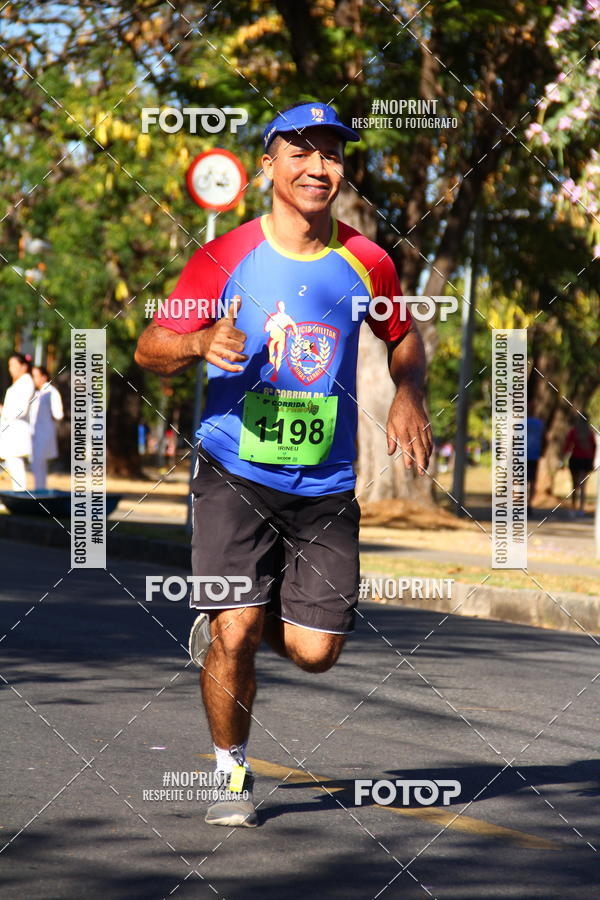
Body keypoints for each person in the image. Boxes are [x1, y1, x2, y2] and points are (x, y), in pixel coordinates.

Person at [135, 101, 432, 828]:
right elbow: (148, 348)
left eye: (331, 153)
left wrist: (409, 392)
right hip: (235, 469)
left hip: (325, 486)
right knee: (235, 633)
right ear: (269, 164)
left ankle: (244, 609)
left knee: (314, 652)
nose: (318, 167)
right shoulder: (224, 255)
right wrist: (200, 344)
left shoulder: (368, 260)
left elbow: (403, 334)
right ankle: (230, 774)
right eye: (300, 152)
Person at [0, 353, 35, 491]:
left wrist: (4, 411)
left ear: (24, 366)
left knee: (17, 467)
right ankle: (17, 496)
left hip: (18, 430)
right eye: (10, 366)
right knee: (13, 465)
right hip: (11, 431)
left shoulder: (26, 382)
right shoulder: (18, 384)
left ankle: (20, 497)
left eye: (14, 365)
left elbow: (21, 410)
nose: (11, 369)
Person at [30, 365, 64, 490]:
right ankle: (39, 490)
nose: (34, 379)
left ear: (44, 377)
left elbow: (58, 414)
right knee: (36, 465)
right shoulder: (36, 393)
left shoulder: (51, 392)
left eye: (36, 376)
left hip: (44, 435)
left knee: (39, 465)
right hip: (35, 434)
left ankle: (40, 491)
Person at [563, 414, 596, 516]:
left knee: (574, 484)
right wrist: (592, 460)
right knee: (583, 486)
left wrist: (563, 458)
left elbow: (568, 446)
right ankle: (581, 509)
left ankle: (573, 508)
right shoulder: (589, 433)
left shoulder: (574, 432)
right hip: (586, 460)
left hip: (576, 460)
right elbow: (593, 447)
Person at [526, 398, 545, 515]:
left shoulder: (521, 423)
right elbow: (545, 438)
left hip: (522, 454)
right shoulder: (539, 424)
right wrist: (542, 450)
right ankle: (529, 503)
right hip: (534, 455)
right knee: (532, 481)